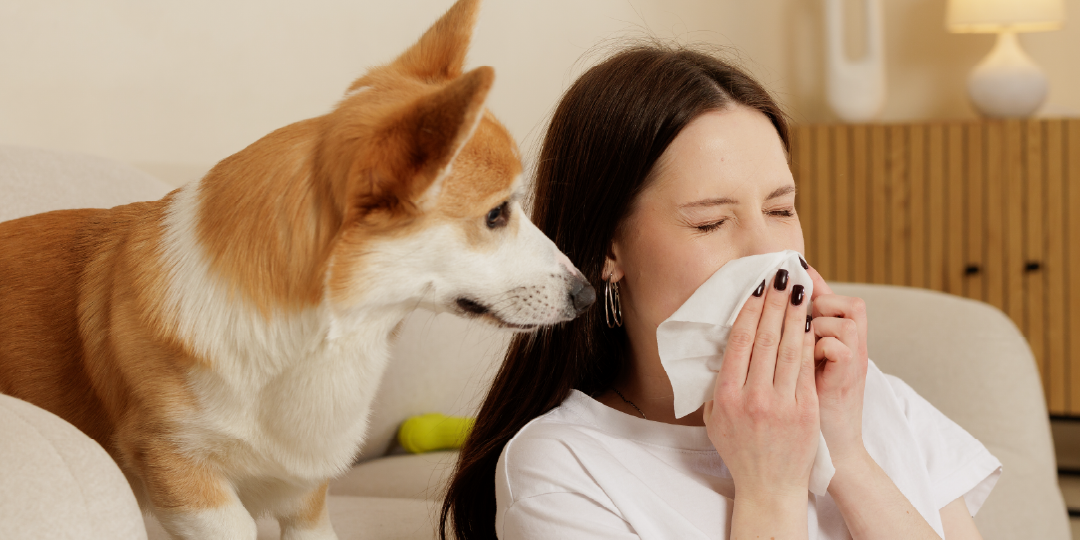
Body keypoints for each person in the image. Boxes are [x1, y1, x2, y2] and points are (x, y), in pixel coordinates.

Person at [440, 44, 1001, 540]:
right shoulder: (559, 469)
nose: (766, 255)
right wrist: (769, 489)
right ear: (610, 249)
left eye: (781, 209)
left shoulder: (865, 399)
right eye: (711, 222)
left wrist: (847, 456)